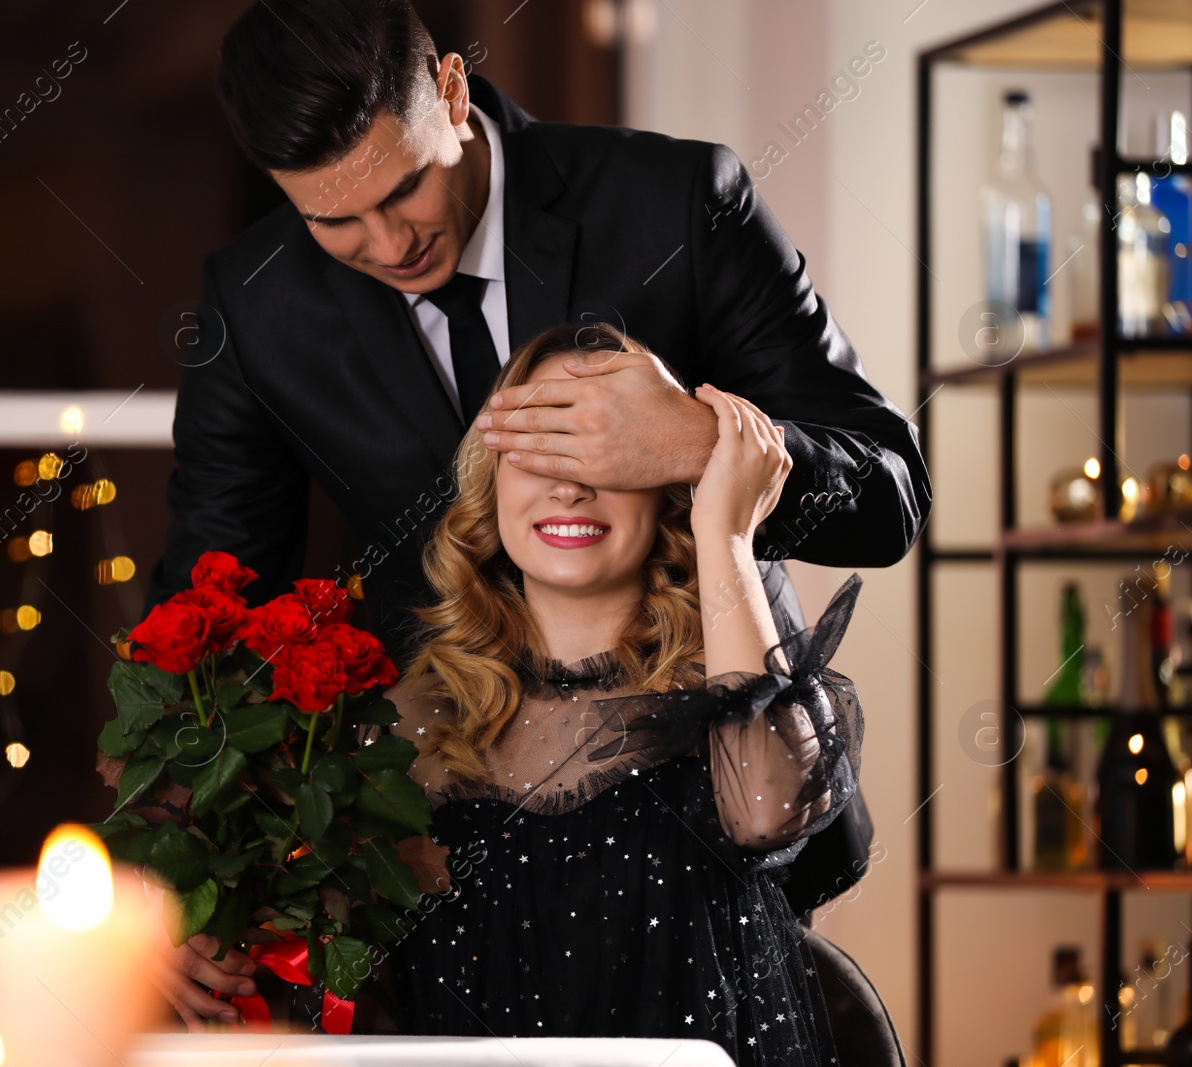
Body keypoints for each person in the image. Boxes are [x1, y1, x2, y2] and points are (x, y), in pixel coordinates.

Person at [149, 0, 922, 996]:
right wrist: (182, 877)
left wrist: (695, 440)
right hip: (434, 850)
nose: (387, 245)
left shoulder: (677, 200)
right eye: (332, 220)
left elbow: (890, 489)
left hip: (710, 815)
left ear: (454, 94)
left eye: (405, 189)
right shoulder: (257, 304)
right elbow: (210, 608)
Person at [354, 323, 865, 1060]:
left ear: (668, 489)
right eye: (540, 447)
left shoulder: (737, 684)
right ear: (490, 478)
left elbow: (766, 812)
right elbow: (352, 992)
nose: (570, 483)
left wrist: (724, 531)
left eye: (605, 450)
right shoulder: (408, 721)